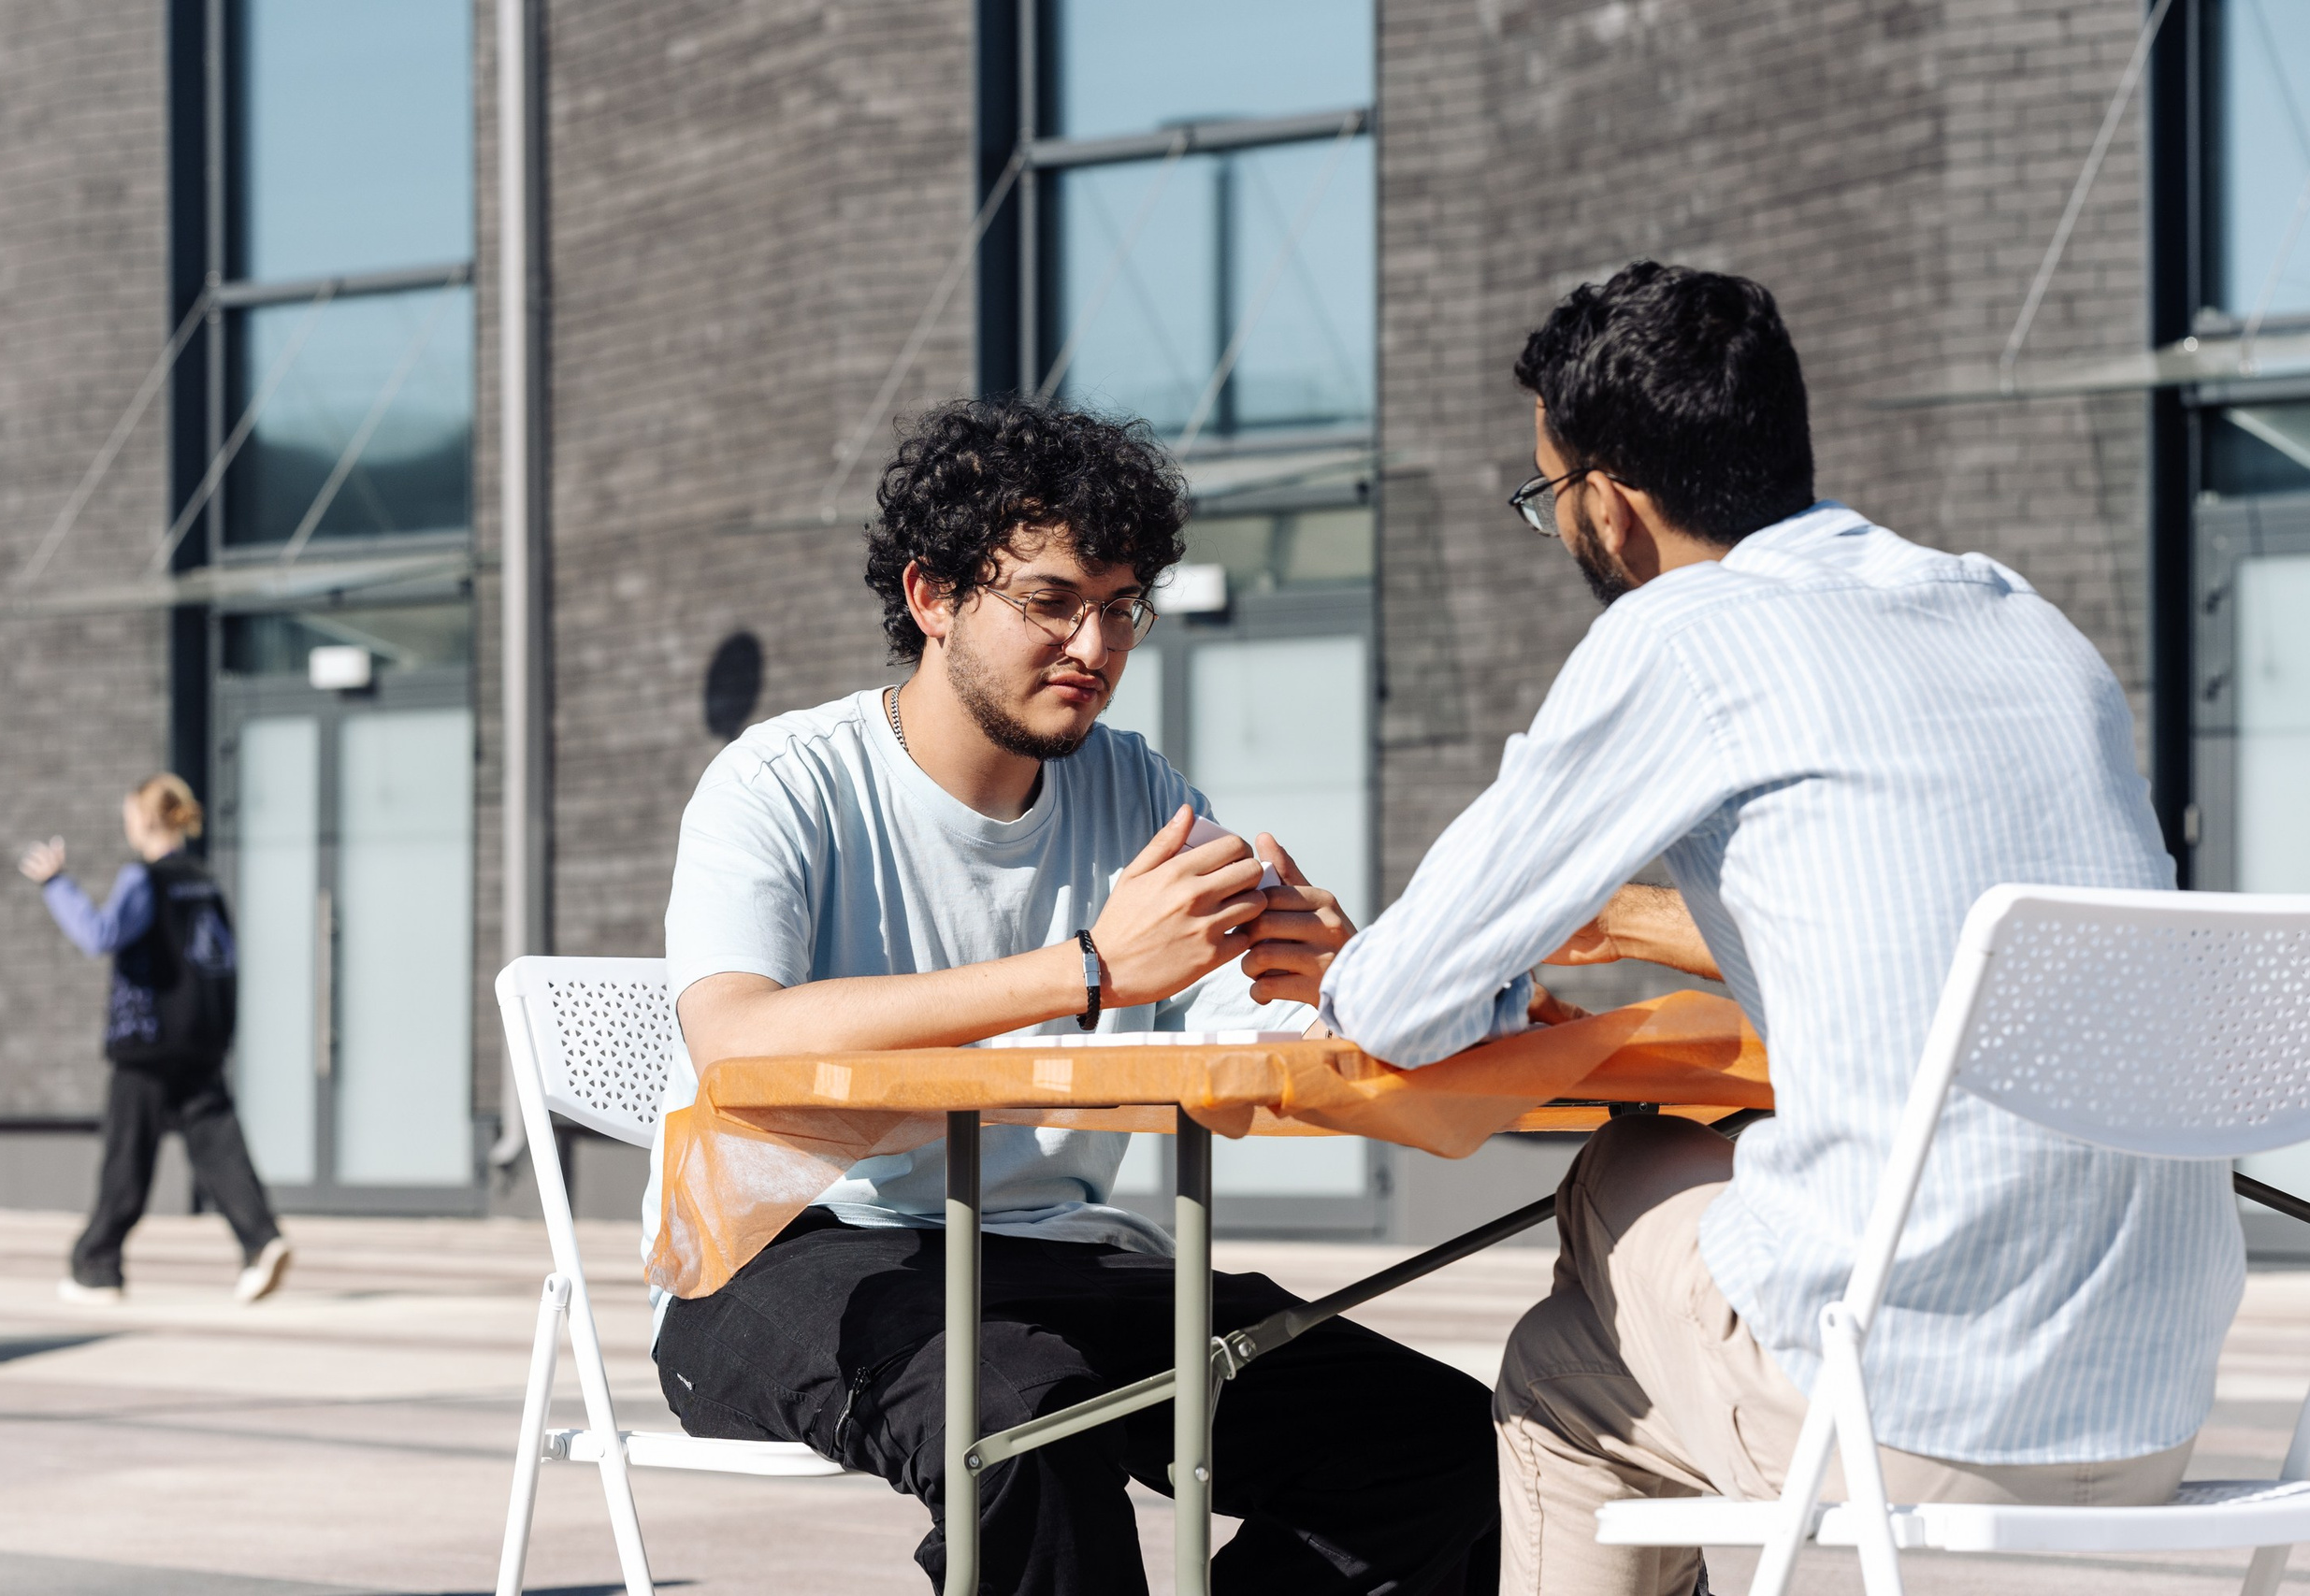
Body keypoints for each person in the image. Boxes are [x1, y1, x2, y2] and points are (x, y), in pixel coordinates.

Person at [1307, 263, 2242, 1596]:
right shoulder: (2017, 614)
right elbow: (1951, 920)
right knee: (1609, 1315)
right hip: (2150, 1413)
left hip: (1904, 1429)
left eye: (1544, 495)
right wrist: (1636, 922)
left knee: (1612, 1214)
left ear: (1610, 504)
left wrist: (1444, 973)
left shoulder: (1682, 633)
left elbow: (1396, 1006)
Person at [645, 396, 1498, 1596]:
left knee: (1438, 1443)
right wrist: (1086, 969)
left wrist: (1333, 979)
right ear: (932, 597)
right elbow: (736, 1043)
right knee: (1028, 1426)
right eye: (1050, 602)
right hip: (788, 1254)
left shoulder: (1135, 786)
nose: (1093, 647)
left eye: (1120, 606)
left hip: (1059, 1254)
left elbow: (1235, 1028)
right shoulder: (783, 784)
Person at [20, 774, 291, 1306]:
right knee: (217, 1144)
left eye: (128, 816)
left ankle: (97, 1265)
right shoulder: (204, 880)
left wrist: (57, 885)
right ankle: (261, 1241)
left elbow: (100, 935)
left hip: (147, 1042)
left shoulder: (144, 879)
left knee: (127, 1155)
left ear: (145, 819)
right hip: (202, 1040)